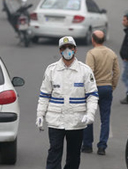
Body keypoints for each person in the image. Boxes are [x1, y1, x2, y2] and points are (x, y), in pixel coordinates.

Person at [36, 36, 99, 169]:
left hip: (76, 121)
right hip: (55, 120)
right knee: (54, 152)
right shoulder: (51, 70)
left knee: (74, 156)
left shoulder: (85, 70)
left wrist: (90, 114)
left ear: (75, 49)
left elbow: (92, 95)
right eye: (64, 48)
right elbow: (44, 95)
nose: (67, 50)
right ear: (60, 51)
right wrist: (40, 115)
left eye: (70, 47)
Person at [81, 30, 119, 156]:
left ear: (93, 39)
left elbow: (89, 72)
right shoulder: (111, 53)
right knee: (105, 118)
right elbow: (116, 72)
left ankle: (87, 145)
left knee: (89, 116)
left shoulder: (91, 53)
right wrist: (112, 85)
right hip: (107, 88)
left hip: (93, 88)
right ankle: (102, 146)